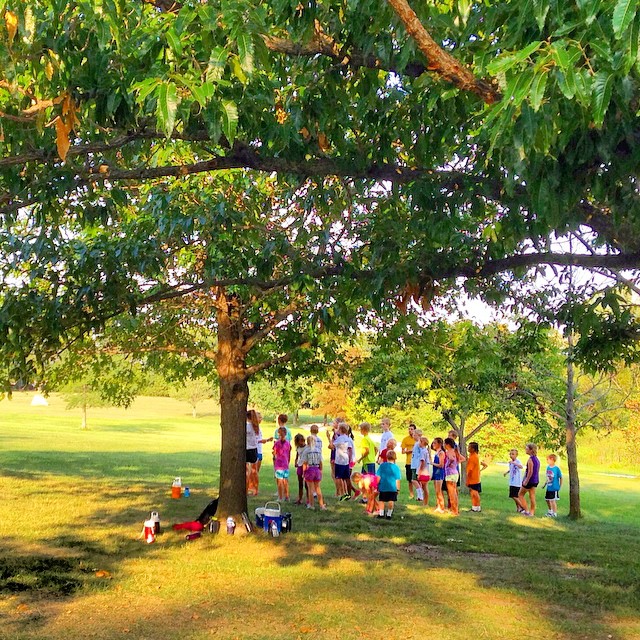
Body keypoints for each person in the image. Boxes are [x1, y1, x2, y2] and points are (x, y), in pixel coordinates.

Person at [300, 436, 327, 510]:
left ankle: (311, 505)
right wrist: (321, 470)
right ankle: (321, 505)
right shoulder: (318, 450)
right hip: (317, 469)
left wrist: (304, 472)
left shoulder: (306, 450)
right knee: (318, 488)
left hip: (310, 469)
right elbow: (321, 462)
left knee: (310, 489)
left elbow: (305, 463)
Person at [330, 423, 354, 500]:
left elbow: (332, 446)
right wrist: (350, 459)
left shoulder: (339, 439)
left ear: (340, 430)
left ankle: (342, 493)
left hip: (339, 461)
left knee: (338, 477)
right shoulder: (348, 439)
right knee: (347, 478)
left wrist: (329, 439)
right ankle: (349, 494)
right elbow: (350, 450)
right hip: (346, 460)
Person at [376, 450, 401, 519]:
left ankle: (381, 514)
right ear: (395, 458)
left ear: (386, 457)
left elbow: (378, 477)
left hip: (383, 486)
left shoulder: (382, 466)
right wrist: (398, 489)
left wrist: (376, 485)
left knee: (381, 500)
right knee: (391, 501)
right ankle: (389, 514)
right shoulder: (396, 467)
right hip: (392, 488)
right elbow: (397, 479)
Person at [517, 443, 540, 516]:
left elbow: (530, 471)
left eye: (527, 449)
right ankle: (532, 512)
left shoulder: (530, 459)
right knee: (532, 496)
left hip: (529, 480)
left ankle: (526, 510)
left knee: (520, 494)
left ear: (531, 450)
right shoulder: (537, 459)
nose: (525, 450)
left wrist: (526, 480)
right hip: (535, 480)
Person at [444, 437, 465, 516]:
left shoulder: (448, 452)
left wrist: (450, 463)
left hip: (450, 474)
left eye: (444, 443)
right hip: (455, 473)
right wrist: (457, 462)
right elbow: (463, 458)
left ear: (447, 444)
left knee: (451, 493)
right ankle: (456, 509)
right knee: (455, 492)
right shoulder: (455, 451)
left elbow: (451, 459)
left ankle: (454, 511)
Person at [465, 442, 487, 512]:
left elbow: (470, 470)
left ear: (473, 449)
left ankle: (477, 507)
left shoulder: (473, 457)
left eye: (469, 447)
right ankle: (474, 507)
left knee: (475, 493)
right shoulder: (475, 456)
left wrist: (467, 479)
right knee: (472, 492)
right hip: (476, 477)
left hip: (473, 478)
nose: (468, 448)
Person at [255, 412, 273, 494]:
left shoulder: (259, 428)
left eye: (261, 418)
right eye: (259, 417)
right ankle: (253, 489)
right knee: (253, 471)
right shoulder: (253, 428)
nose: (261, 419)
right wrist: (264, 440)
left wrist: (267, 440)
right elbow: (254, 440)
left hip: (259, 451)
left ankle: (255, 489)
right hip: (255, 451)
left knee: (256, 471)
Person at [273, 426, 292, 501]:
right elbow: (289, 454)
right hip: (286, 464)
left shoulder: (277, 443)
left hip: (279, 464)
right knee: (286, 481)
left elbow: (274, 453)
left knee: (280, 481)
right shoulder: (288, 443)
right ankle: (287, 496)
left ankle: (280, 497)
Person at [246, 409, 260, 496]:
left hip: (247, 450)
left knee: (247, 472)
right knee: (254, 472)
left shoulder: (247, 427)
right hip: (254, 450)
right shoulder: (256, 426)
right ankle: (256, 489)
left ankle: (246, 489)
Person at [401, 424, 417, 499]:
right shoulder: (405, 439)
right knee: (410, 480)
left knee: (417, 479)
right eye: (409, 429)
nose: (410, 430)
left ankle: (419, 493)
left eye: (411, 429)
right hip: (409, 462)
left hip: (417, 462)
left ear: (415, 430)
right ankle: (411, 494)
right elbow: (403, 451)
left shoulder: (417, 439)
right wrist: (410, 450)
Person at [416, 435, 432, 506]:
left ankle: (425, 503)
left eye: (419, 441)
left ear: (422, 442)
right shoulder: (425, 451)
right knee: (424, 487)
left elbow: (422, 462)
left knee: (424, 488)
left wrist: (419, 472)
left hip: (423, 472)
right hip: (426, 472)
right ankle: (425, 502)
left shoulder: (423, 451)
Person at [431, 438, 446, 513]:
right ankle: (438, 505)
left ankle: (442, 507)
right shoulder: (436, 452)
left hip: (439, 473)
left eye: (434, 443)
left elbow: (441, 465)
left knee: (439, 491)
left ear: (439, 444)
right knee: (436, 491)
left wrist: (432, 463)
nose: (433, 444)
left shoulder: (441, 453)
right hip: (435, 472)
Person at [294, 433, 308, 505]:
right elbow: (297, 456)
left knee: (306, 484)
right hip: (300, 465)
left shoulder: (307, 447)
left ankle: (308, 499)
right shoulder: (298, 448)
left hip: (306, 466)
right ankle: (300, 498)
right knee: (300, 483)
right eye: (300, 441)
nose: (302, 443)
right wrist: (296, 462)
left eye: (302, 441)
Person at [410, 430, 424, 501]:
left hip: (416, 464)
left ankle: (420, 494)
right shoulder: (416, 443)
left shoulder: (419, 444)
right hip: (413, 464)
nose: (413, 436)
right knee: (418, 481)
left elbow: (422, 453)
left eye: (414, 435)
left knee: (414, 480)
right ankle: (420, 496)